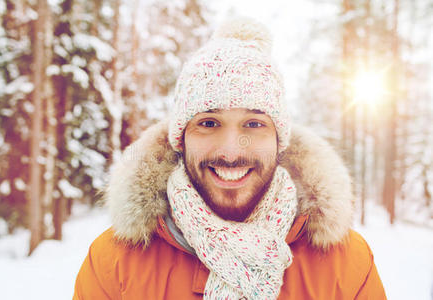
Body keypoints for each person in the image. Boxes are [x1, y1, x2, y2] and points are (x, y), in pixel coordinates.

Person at [73, 17, 386, 300]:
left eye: (254, 124)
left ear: (280, 141)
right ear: (180, 140)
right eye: (209, 123)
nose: (231, 151)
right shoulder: (113, 265)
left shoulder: (346, 266)